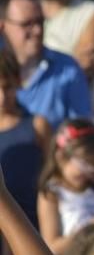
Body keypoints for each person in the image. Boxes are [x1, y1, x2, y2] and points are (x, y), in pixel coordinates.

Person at [0, 0, 91, 130]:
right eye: (27, 24)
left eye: (40, 22)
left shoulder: (68, 70)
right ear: (2, 26)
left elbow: (82, 133)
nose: (37, 30)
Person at [37, 119, 94, 255]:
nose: (88, 172)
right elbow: (52, 247)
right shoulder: (52, 194)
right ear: (60, 157)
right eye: (84, 164)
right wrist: (92, 228)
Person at [0, 50, 46, 225]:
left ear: (18, 83)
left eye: (8, 87)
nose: (2, 97)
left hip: (33, 222)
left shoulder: (37, 125)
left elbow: (51, 174)